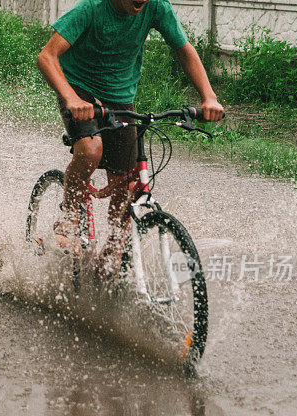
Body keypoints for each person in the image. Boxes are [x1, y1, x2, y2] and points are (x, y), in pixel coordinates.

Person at [36, 0, 224, 275]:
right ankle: (68, 214)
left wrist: (209, 97)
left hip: (120, 94)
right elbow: (47, 56)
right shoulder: (92, 7)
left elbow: (184, 51)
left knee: (125, 181)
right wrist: (71, 98)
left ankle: (110, 253)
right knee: (89, 151)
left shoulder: (157, 7)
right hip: (78, 87)